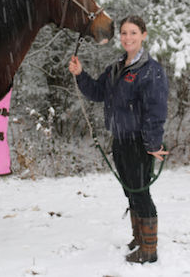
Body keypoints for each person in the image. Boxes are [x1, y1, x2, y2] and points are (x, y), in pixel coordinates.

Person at [68, 15, 169, 264]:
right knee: (130, 191)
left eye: (133, 33)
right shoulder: (115, 67)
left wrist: (154, 145)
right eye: (124, 33)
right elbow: (96, 91)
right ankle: (139, 237)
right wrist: (80, 74)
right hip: (120, 139)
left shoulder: (150, 71)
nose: (128, 37)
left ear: (144, 35)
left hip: (139, 142)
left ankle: (149, 249)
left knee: (140, 191)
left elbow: (156, 111)